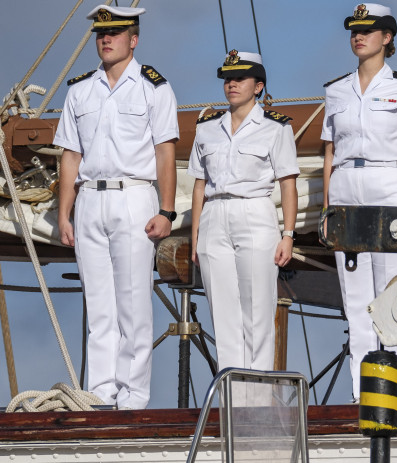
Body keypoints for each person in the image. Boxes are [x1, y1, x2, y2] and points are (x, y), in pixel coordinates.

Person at [54, 5, 178, 409]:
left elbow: (165, 153)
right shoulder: (80, 90)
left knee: (133, 303)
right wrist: (63, 213)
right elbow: (70, 156)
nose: (105, 39)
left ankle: (133, 398)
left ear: (133, 39)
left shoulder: (154, 87)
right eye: (100, 33)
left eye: (115, 32)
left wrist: (167, 210)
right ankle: (100, 394)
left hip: (134, 197)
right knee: (99, 306)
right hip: (89, 200)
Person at [321, 3, 397, 402]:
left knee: (392, 294)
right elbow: (330, 151)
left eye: (368, 30)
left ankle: (390, 394)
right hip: (347, 186)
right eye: (354, 30)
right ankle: (360, 394)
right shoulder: (336, 89)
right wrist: (328, 206)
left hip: (388, 182)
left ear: (387, 38)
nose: (358, 36)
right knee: (356, 301)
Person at [189, 51, 299, 373]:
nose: (232, 83)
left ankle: (258, 397)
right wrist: (196, 234)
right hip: (214, 215)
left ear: (258, 86)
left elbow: (288, 184)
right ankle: (232, 397)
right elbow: (199, 184)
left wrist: (288, 235)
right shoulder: (207, 128)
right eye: (227, 78)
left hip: (254, 213)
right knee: (223, 316)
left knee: (258, 312)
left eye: (240, 78)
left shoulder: (276, 128)